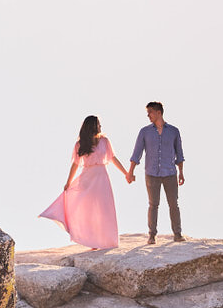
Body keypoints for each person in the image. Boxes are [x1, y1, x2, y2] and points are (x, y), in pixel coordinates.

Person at [39, 115, 132, 249]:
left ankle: (108, 241)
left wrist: (126, 174)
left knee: (105, 209)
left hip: (102, 177)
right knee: (89, 211)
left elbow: (113, 159)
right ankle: (92, 241)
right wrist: (68, 182)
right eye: (98, 124)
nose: (100, 126)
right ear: (92, 127)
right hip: (86, 179)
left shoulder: (105, 141)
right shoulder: (79, 145)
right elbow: (75, 165)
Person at [128, 100, 186, 244]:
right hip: (151, 173)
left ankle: (177, 234)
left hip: (170, 173)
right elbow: (137, 153)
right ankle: (152, 235)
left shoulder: (173, 131)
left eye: (150, 113)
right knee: (153, 204)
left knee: (173, 204)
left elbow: (179, 154)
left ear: (158, 113)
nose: (148, 116)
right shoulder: (145, 132)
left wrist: (181, 173)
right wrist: (130, 172)